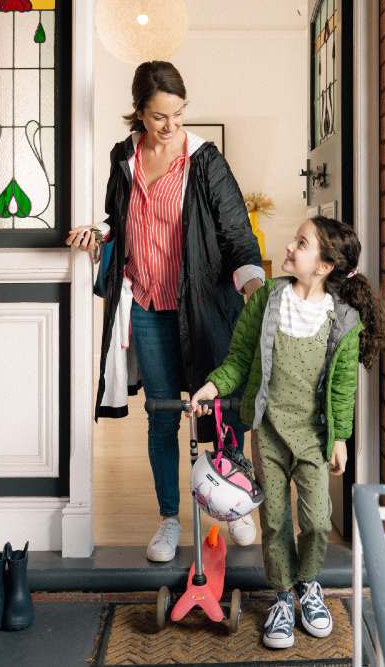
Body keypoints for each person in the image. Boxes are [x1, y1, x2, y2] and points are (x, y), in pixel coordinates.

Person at [66, 61, 264, 562]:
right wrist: (99, 234)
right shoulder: (123, 159)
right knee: (160, 416)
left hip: (202, 306)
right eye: (160, 117)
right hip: (150, 307)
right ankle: (169, 519)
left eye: (178, 114)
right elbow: (119, 221)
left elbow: (238, 235)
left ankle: (234, 501)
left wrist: (253, 284)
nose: (172, 126)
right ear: (139, 113)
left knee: (218, 410)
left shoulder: (205, 161)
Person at [189, 217, 385, 649]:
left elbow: (341, 388)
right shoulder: (267, 302)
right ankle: (281, 596)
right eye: (294, 240)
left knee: (316, 521)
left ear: (325, 265)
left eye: (302, 243)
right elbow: (240, 357)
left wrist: (340, 439)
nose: (290, 248)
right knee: (275, 521)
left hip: (314, 437)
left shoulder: (344, 320)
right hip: (269, 434)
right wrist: (213, 384)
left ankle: (308, 585)